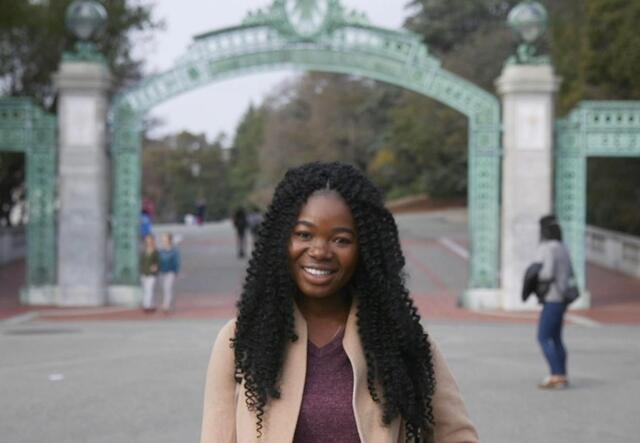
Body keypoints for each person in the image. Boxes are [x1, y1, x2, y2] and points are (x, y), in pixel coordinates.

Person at [201, 162, 478, 443]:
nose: (320, 251)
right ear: (280, 240)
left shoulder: (403, 341)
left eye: (341, 240)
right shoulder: (239, 342)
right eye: (304, 235)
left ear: (365, 250)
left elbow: (457, 436)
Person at [535, 215, 575, 389]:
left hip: (552, 298)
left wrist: (535, 274)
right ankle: (562, 374)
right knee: (557, 338)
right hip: (563, 298)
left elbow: (548, 273)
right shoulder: (563, 248)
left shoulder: (549, 248)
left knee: (543, 337)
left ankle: (556, 374)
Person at [159, 232, 180, 313]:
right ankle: (168, 303)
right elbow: (158, 261)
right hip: (162, 272)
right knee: (164, 288)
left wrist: (175, 271)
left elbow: (176, 262)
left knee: (168, 288)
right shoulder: (161, 250)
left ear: (169, 240)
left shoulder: (174, 251)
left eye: (165, 238)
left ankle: (166, 305)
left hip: (170, 272)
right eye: (163, 239)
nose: (164, 240)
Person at [140, 234, 160, 312]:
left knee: (150, 289)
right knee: (145, 290)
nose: (149, 242)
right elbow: (141, 262)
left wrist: (156, 267)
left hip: (152, 274)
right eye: (147, 240)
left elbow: (158, 262)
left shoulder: (155, 252)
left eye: (150, 240)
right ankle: (150, 304)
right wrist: (141, 270)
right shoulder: (144, 251)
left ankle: (147, 306)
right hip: (144, 273)